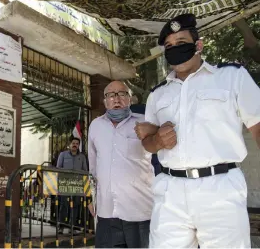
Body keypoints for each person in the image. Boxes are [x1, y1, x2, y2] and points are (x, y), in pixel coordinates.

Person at [134, 13, 260, 248]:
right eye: (169, 46)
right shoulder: (158, 94)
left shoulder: (231, 77)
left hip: (220, 188)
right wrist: (158, 141)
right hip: (171, 191)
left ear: (198, 45)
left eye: (181, 43)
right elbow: (147, 144)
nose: (174, 49)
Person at [88, 80, 154, 248]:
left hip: (139, 211)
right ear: (105, 101)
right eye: (111, 95)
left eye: (122, 94)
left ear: (130, 99)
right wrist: (91, 197)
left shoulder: (144, 123)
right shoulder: (95, 126)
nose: (116, 99)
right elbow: (93, 167)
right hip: (106, 211)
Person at [56, 137, 88, 234]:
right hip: (65, 184)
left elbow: (85, 171)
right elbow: (58, 168)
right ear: (70, 144)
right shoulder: (63, 155)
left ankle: (72, 227)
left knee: (75, 206)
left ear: (78, 146)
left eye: (77, 143)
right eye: (73, 143)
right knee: (63, 206)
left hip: (77, 185)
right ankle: (61, 227)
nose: (75, 145)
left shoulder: (82, 157)